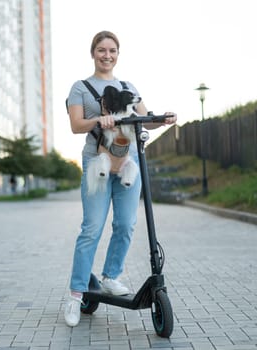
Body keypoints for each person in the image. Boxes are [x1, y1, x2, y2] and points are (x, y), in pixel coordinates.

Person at [64, 30, 177, 327]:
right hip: (97, 163)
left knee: (126, 224)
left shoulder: (128, 86)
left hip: (128, 162)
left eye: (112, 50)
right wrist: (98, 120)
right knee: (91, 229)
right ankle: (76, 295)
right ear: (93, 53)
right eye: (101, 50)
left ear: (117, 54)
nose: (107, 55)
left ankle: (111, 276)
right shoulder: (81, 88)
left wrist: (162, 119)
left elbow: (145, 119)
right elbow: (76, 125)